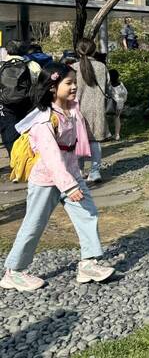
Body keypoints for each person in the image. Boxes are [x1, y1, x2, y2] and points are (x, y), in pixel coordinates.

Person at [1, 63, 114, 292]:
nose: (74, 87)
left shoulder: (71, 110)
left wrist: (73, 180)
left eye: (75, 82)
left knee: (87, 214)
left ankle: (88, 263)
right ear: (53, 87)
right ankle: (14, 272)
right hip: (46, 180)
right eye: (69, 83)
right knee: (34, 224)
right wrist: (70, 186)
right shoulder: (43, 120)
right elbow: (52, 158)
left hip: (70, 175)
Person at [75, 38, 111, 183]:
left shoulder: (73, 67)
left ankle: (79, 171)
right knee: (95, 141)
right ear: (94, 50)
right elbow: (107, 86)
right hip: (97, 110)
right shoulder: (102, 67)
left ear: (78, 51)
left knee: (77, 141)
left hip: (77, 110)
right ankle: (95, 172)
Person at [0, 40, 41, 154]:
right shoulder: (32, 65)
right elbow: (39, 84)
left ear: (7, 50)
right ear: (25, 50)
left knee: (9, 134)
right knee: (27, 133)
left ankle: (14, 161)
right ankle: (25, 160)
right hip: (27, 104)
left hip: (5, 105)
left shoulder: (1, 65)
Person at [107, 69, 128, 141]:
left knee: (106, 118)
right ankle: (117, 134)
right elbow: (125, 93)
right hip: (120, 103)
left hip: (113, 104)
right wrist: (123, 101)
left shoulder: (109, 86)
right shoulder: (121, 84)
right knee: (117, 118)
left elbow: (108, 94)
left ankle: (107, 134)